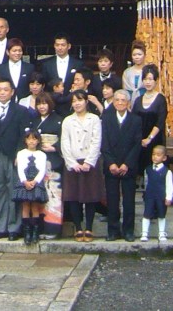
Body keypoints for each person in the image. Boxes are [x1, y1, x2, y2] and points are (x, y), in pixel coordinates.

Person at [0, 76, 33, 240]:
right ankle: (0, 227)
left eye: (5, 90)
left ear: (12, 92)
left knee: (13, 190)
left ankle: (13, 227)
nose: (2, 93)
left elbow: (23, 135)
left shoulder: (20, 111)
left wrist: (20, 153)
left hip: (13, 156)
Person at [60, 89, 103, 240]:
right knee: (73, 196)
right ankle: (78, 227)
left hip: (89, 162)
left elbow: (96, 141)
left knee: (90, 196)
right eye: (74, 101)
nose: (77, 104)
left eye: (79, 100)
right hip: (73, 162)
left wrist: (89, 162)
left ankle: (89, 227)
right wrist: (72, 163)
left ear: (86, 101)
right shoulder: (67, 120)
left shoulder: (94, 119)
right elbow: (64, 143)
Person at [101, 89, 143, 241]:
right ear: (113, 102)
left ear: (128, 103)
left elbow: (137, 144)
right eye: (117, 100)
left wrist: (127, 164)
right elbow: (103, 143)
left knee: (129, 200)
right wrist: (111, 163)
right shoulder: (106, 118)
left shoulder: (136, 120)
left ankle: (128, 231)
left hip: (128, 165)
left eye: (123, 100)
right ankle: (113, 231)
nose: (119, 103)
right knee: (112, 200)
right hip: (111, 164)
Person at [32, 92, 63, 239]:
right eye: (39, 103)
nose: (41, 106)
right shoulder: (33, 120)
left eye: (44, 103)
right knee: (39, 195)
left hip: (53, 160)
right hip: (38, 160)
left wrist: (55, 147)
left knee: (53, 195)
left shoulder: (59, 120)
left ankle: (53, 229)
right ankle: (39, 227)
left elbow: (65, 138)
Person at [13, 130, 49, 244]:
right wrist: (24, 181)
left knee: (34, 206)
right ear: (25, 140)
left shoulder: (42, 154)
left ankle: (35, 232)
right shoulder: (21, 153)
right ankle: (26, 233)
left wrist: (35, 181)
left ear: (38, 141)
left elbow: (42, 169)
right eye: (29, 139)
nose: (31, 141)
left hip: (36, 181)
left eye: (34, 139)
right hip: (24, 181)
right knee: (25, 206)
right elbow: (20, 168)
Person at [131, 64, 168, 171]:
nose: (148, 82)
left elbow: (160, 122)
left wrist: (149, 138)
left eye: (150, 79)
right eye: (145, 79)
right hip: (140, 141)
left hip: (155, 140)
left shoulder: (160, 99)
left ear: (156, 81)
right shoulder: (138, 99)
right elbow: (133, 120)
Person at [140, 144, 173, 242]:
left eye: (158, 155)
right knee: (147, 213)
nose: (155, 157)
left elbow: (169, 185)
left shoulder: (167, 171)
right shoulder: (148, 169)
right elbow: (146, 182)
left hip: (161, 196)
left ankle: (162, 232)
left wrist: (169, 197)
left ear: (164, 158)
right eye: (153, 154)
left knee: (161, 214)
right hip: (150, 195)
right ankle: (144, 232)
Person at [122, 40, 147, 105]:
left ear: (144, 55)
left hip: (146, 102)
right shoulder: (127, 72)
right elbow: (125, 91)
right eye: (134, 55)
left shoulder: (148, 71)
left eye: (139, 54)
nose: (137, 57)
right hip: (130, 104)